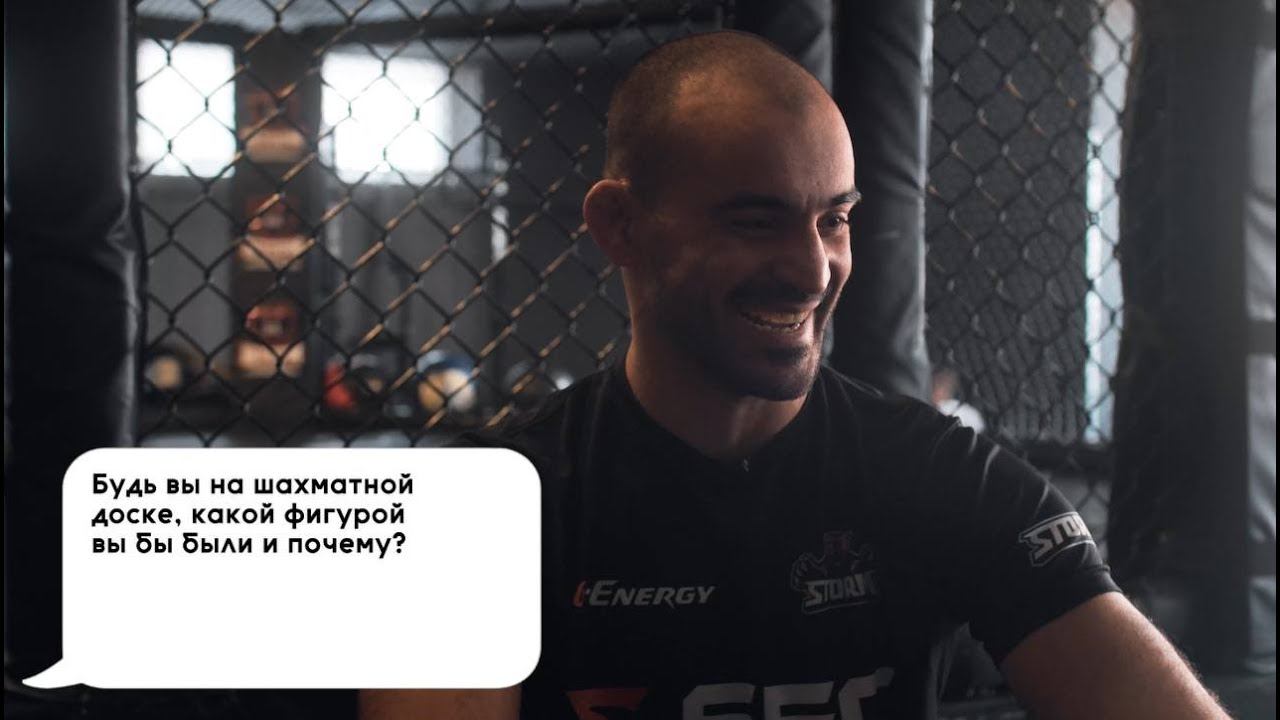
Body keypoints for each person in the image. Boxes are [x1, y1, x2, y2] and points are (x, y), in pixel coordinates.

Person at [361, 31, 1227, 719]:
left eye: (834, 219)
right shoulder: (482, 509)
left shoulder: (945, 478)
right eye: (755, 221)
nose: (813, 270)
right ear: (620, 225)